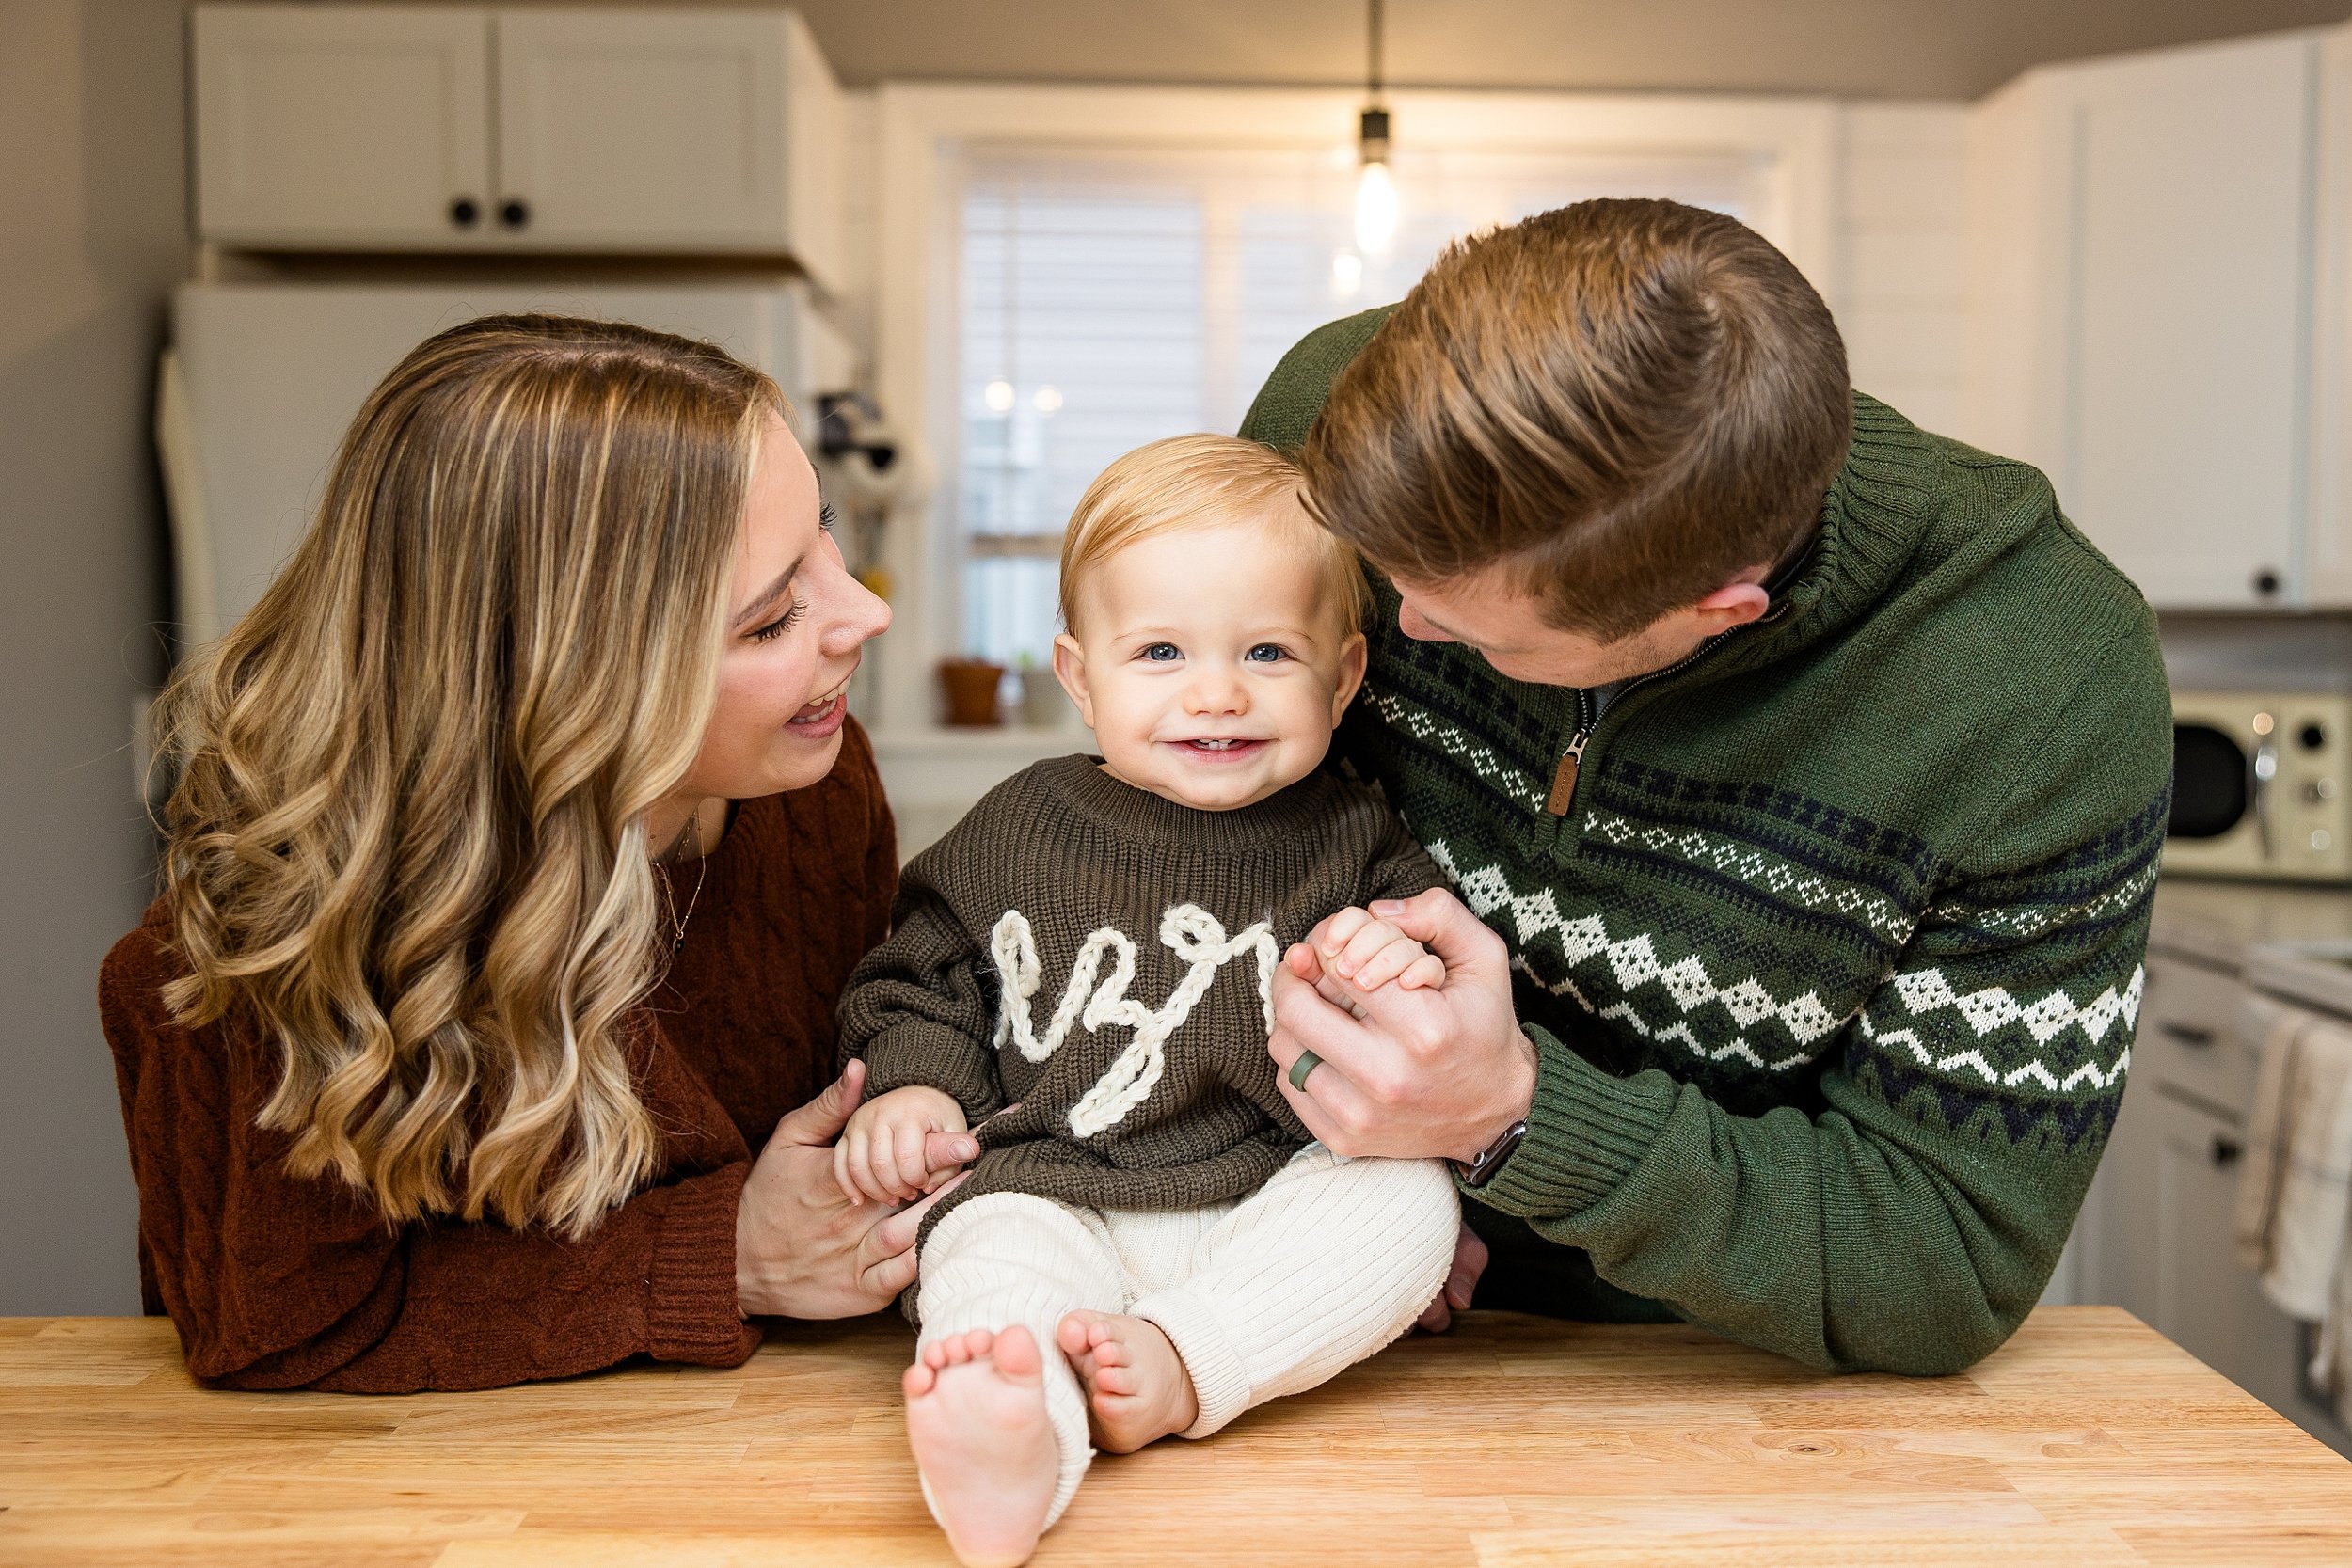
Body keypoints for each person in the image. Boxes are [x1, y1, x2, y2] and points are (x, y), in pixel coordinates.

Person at [1239, 198, 2174, 1375]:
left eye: (1479, 636)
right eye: (1383, 577)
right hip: (1251, 1264)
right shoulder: (1330, 406)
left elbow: (1941, 1258)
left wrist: (1514, 1116)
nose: (1396, 627)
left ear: (1716, 608)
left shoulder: (2044, 686)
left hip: (1677, 1376)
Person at [96, 315, 952, 1392]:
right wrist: (723, 1255)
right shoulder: (277, 942)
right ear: (577, 686)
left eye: (821, 535)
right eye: (773, 617)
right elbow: (279, 1326)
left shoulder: (810, 792)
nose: (865, 613)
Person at [833, 435, 1461, 1567]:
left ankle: (1186, 1359)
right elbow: (921, 970)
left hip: (1264, 1202)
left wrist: (1397, 964)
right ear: (1079, 675)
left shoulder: (1355, 836)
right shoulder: (1020, 825)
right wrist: (917, 1082)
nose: (1215, 692)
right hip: (1053, 1181)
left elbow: (1438, 992)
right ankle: (1008, 1441)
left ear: (1346, 673)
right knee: (981, 1247)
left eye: (1268, 651)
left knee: (1408, 1200)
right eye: (1160, 650)